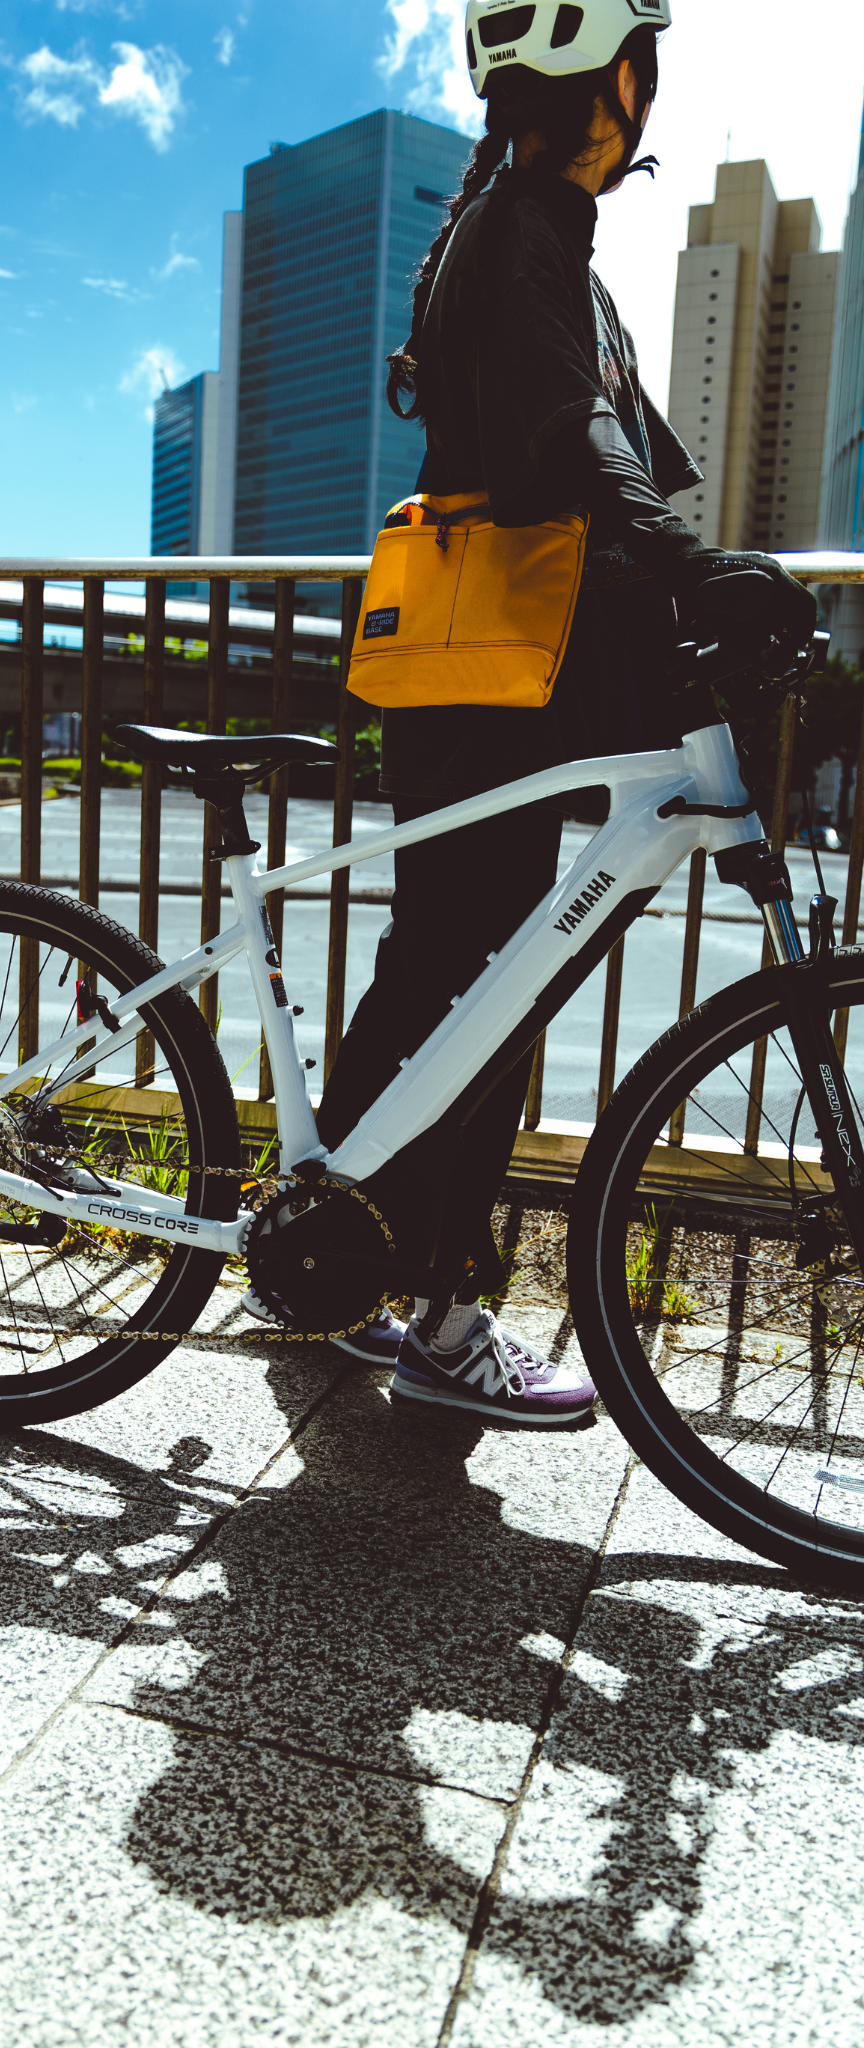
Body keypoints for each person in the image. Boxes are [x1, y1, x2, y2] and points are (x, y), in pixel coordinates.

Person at [253, 0, 817, 1423]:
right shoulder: (525, 232)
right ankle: (438, 1310)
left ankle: (332, 1241)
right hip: (497, 674)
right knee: (488, 986)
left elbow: (590, 443)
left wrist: (677, 574)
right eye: (648, 67)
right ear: (618, 79)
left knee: (449, 967)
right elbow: (571, 441)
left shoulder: (515, 226)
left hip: (486, 668)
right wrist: (691, 565)